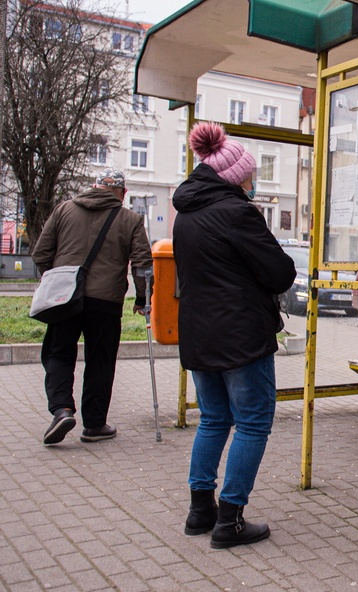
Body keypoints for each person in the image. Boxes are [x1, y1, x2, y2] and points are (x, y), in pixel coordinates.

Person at [172, 122, 295, 549]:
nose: (253, 181)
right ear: (237, 177)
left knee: (213, 419)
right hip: (241, 335)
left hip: (199, 335)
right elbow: (280, 272)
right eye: (250, 175)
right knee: (253, 422)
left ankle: (198, 511)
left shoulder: (185, 214)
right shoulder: (238, 212)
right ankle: (231, 520)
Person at [34, 168, 152, 446]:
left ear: (92, 187)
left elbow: (41, 253)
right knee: (100, 360)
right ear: (122, 194)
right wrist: (142, 299)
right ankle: (95, 425)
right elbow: (143, 264)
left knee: (58, 353)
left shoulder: (64, 210)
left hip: (64, 298)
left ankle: (61, 410)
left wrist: (55, 279)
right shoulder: (131, 219)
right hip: (106, 301)